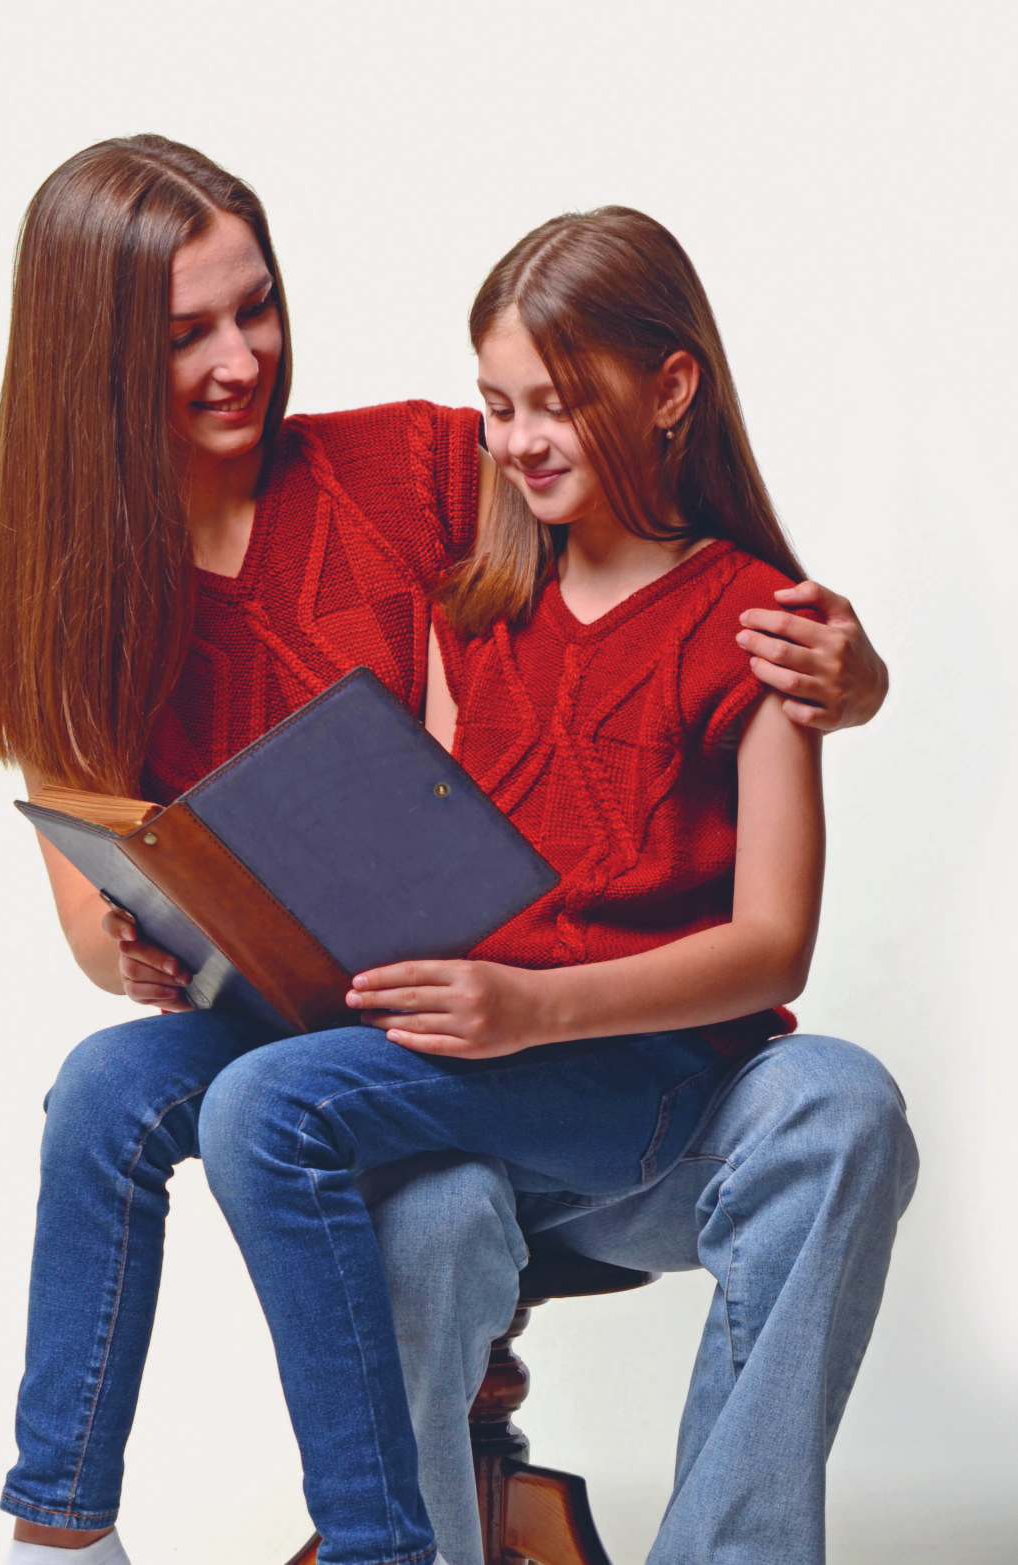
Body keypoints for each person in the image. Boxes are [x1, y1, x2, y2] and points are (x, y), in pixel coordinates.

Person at [0, 136, 890, 1564]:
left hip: (491, 1017)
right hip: (297, 1013)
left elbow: (634, 537)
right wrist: (138, 941)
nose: (243, 359)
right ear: (94, 358)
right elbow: (93, 918)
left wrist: (844, 682)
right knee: (102, 1091)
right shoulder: (66, 598)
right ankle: (63, 1533)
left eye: (257, 306)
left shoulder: (432, 464)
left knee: (807, 1102)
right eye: (187, 332)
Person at [196, 208, 919, 1565]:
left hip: (661, 1099)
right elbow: (418, 872)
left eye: (559, 404)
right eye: (497, 405)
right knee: (420, 1206)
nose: (520, 439)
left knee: (842, 1101)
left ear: (671, 388)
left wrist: (532, 1007)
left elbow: (774, 948)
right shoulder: (474, 601)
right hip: (488, 1118)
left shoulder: (761, 625)